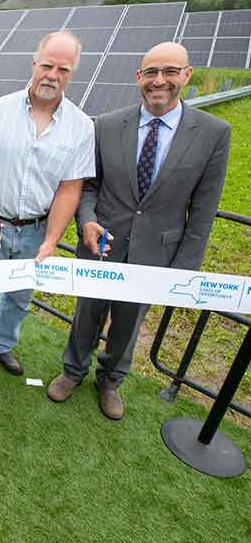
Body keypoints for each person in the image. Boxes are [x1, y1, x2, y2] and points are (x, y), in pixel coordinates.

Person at [48, 42, 231, 420]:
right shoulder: (107, 124)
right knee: (86, 313)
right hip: (101, 244)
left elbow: (203, 210)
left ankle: (110, 381)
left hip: (156, 252)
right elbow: (90, 186)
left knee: (129, 323)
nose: (159, 81)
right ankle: (73, 371)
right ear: (138, 77)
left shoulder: (213, 132)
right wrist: (86, 220)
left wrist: (182, 272)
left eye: (170, 71)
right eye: (151, 72)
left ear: (186, 75)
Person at [0, 31, 95, 391]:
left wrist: (51, 239)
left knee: (20, 297)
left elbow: (70, 188)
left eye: (63, 69)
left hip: (36, 228)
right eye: (47, 65)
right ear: (35, 64)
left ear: (72, 73)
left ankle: (1, 344)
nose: (53, 75)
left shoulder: (81, 126)